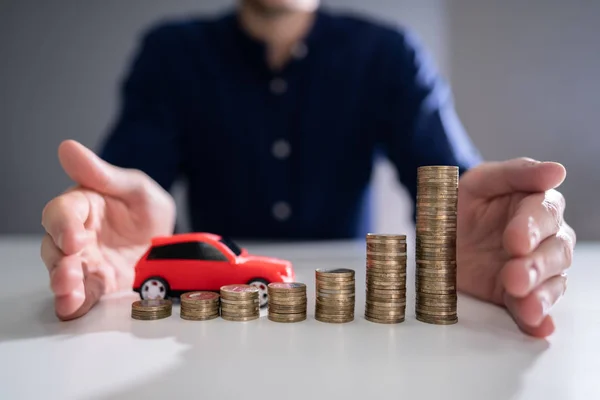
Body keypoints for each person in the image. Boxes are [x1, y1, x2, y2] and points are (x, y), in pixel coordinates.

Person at [40, 0, 575, 338]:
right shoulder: (169, 54)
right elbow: (128, 190)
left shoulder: (388, 54)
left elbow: (455, 184)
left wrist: (489, 227)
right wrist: (111, 228)